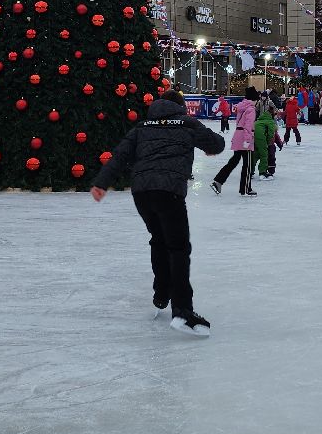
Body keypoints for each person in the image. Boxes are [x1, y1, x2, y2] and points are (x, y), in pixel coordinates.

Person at [91, 88, 225, 336]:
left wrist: (101, 183)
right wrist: (209, 147)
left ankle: (161, 294)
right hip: (169, 191)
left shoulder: (142, 127)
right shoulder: (185, 123)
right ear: (180, 106)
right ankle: (183, 310)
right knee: (178, 248)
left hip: (142, 193)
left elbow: (119, 156)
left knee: (159, 240)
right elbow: (217, 143)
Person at [210, 88, 258, 197]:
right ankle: (246, 189)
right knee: (248, 164)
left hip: (238, 136)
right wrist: (247, 140)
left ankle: (218, 181)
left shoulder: (242, 106)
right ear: (254, 99)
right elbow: (248, 126)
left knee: (233, 161)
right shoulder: (251, 109)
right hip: (245, 138)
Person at [253, 96, 278, 181]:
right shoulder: (270, 121)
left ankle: (249, 171)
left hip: (254, 138)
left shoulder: (259, 121)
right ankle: (262, 173)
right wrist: (268, 143)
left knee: (256, 154)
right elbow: (271, 134)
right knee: (264, 155)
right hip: (261, 139)